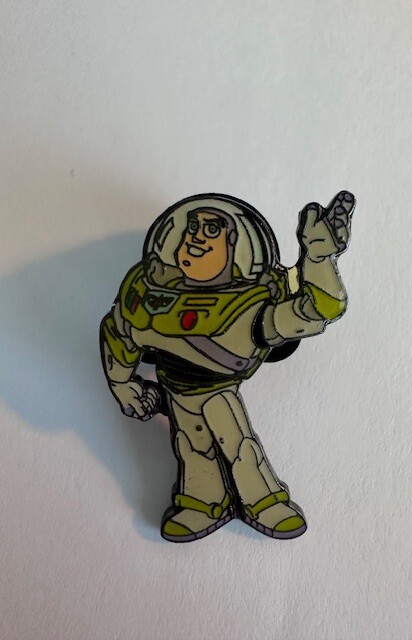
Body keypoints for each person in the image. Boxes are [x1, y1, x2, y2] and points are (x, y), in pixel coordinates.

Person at [100, 192, 355, 542]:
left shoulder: (250, 309)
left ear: (236, 246)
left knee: (238, 445)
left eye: (212, 229)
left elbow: (318, 310)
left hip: (218, 391)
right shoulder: (147, 292)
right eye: (192, 227)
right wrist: (122, 383)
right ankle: (203, 504)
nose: (196, 236)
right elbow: (119, 331)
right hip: (175, 390)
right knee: (193, 448)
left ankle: (264, 502)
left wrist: (319, 257)